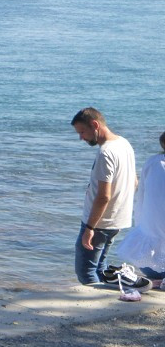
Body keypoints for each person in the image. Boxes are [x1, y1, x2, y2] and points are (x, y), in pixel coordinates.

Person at [70, 108, 137, 285]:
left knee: (86, 271)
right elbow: (134, 182)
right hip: (117, 219)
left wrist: (90, 228)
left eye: (82, 132)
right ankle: (105, 300)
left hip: (99, 222)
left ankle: (93, 307)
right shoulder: (124, 143)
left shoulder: (105, 153)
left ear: (95, 125)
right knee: (99, 267)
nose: (81, 137)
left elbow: (103, 196)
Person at [113, 131, 165, 285]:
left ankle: (157, 282)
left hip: (146, 259)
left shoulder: (152, 162)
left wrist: (141, 226)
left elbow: (140, 198)